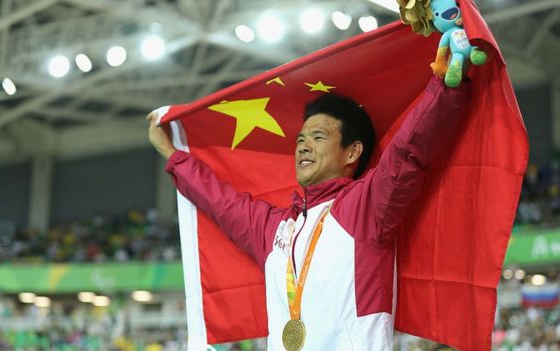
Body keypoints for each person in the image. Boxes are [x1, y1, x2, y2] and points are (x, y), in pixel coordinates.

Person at [147, 75, 470, 350]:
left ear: (352, 152)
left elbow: (408, 152)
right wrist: (171, 154)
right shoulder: (275, 230)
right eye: (301, 139)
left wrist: (447, 86)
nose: (303, 146)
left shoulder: (362, 208)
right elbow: (222, 203)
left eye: (318, 137)